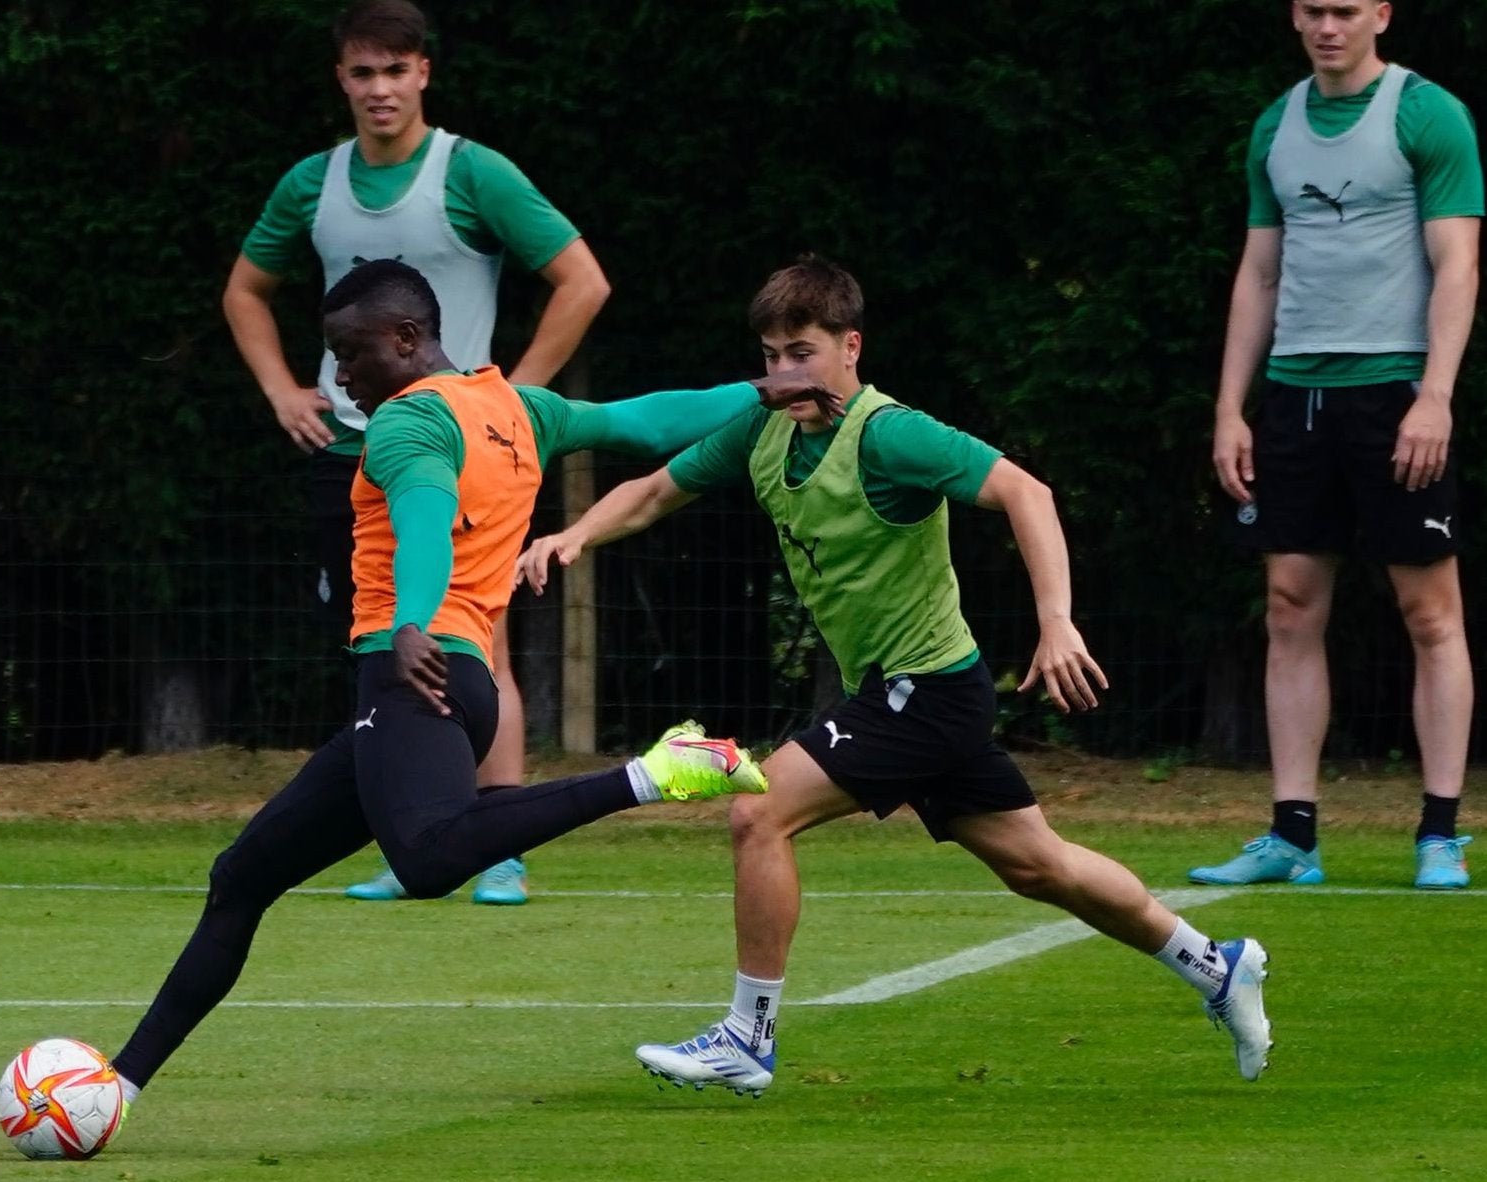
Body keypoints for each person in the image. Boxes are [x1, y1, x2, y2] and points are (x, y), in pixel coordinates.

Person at [517, 256, 1273, 1094]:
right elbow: (658, 490)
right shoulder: (762, 431)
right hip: (904, 693)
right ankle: (1214, 963)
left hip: (923, 692)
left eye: (800, 352)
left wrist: (1055, 621)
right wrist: (575, 535)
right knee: (1038, 866)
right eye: (769, 355)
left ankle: (746, 1035)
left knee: (755, 816)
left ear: (850, 347)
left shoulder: (889, 434)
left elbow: (1027, 492)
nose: (781, 373)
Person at [108, 259, 840, 1104]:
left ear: (409, 339)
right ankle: (118, 1085)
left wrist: (412, 621)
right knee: (241, 877)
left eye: (351, 353)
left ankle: (655, 771)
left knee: (425, 859)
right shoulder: (516, 408)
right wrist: (757, 392)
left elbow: (422, 511)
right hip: (456, 682)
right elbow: (639, 422)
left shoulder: (406, 423)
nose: (341, 374)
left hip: (411, 671)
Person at [222, 0, 612, 906]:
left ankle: (496, 841)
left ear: (423, 73)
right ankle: (412, 830)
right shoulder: (310, 184)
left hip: (457, 444)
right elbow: (245, 290)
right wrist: (283, 388)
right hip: (357, 449)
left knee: (479, 645)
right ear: (341, 82)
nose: (379, 90)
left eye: (395, 71)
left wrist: (507, 403)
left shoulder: (472, 173)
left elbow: (582, 280)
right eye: (362, 73)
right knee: (377, 650)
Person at [1202, 0, 1480, 891]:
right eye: (1314, 10)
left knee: (1429, 614)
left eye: (1345, 10)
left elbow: (1457, 264)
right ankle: (1292, 835)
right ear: (1292, 16)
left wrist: (1433, 396)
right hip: (1293, 396)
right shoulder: (1274, 125)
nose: (1328, 26)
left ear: (1381, 15)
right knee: (1288, 605)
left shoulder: (1425, 113)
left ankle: (1439, 831)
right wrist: (1229, 408)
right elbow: (1258, 270)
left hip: (1394, 392)